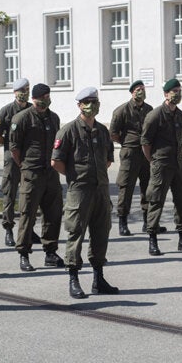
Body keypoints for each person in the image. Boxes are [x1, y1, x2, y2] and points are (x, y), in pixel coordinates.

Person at [51, 87, 118, 298]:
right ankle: (74, 278)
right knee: (76, 233)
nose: (91, 106)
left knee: (101, 234)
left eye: (94, 102)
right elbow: (56, 162)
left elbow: (108, 160)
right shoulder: (68, 131)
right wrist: (75, 176)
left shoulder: (102, 131)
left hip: (101, 190)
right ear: (79, 105)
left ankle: (99, 279)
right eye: (86, 102)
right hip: (79, 191)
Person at [140, 78, 182, 257]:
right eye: (174, 91)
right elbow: (145, 143)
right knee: (156, 200)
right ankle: (152, 239)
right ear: (166, 94)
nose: (177, 94)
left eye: (179, 91)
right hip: (161, 164)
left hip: (178, 163)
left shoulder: (181, 115)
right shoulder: (155, 115)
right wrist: (153, 161)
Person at [9, 82, 64, 272]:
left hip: (50, 173)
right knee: (28, 214)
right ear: (34, 99)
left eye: (48, 97)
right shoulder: (22, 118)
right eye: (42, 97)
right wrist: (24, 166)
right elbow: (14, 148)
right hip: (31, 173)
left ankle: (50, 252)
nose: (46, 100)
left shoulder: (53, 118)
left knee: (53, 214)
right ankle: (24, 254)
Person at [109, 79, 164, 236]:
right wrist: (127, 142)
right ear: (132, 92)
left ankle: (148, 222)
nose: (141, 91)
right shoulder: (121, 111)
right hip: (130, 153)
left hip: (146, 153)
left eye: (143, 88)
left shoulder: (149, 109)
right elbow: (113, 133)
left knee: (148, 187)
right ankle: (123, 222)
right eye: (138, 89)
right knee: (126, 187)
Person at [0, 77, 31, 247]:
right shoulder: (6, 111)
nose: (24, 93)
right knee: (10, 193)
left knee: (30, 195)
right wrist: (9, 145)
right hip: (12, 158)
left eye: (27, 89)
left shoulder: (32, 109)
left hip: (29, 158)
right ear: (14, 92)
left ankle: (28, 229)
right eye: (21, 90)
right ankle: (8, 228)